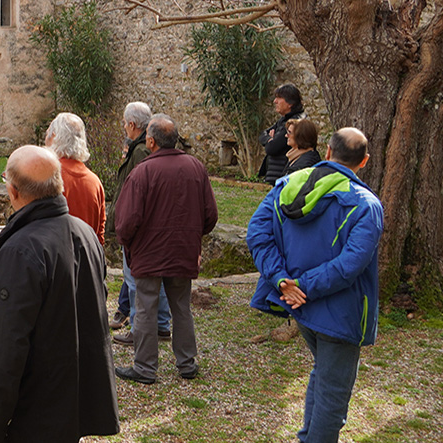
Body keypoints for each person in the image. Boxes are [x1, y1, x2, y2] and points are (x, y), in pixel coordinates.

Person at [0, 145, 118, 442]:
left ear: (13, 191)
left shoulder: (21, 251)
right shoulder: (85, 235)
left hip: (33, 414)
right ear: (57, 184)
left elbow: (4, 354)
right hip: (68, 404)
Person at [247, 127, 383, 443]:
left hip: (302, 309)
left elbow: (257, 235)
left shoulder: (284, 186)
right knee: (333, 396)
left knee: (323, 375)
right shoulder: (366, 205)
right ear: (364, 161)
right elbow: (349, 266)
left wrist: (283, 281)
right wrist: (295, 285)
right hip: (340, 314)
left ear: (328, 152)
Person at [113, 114, 217, 384]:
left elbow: (126, 221)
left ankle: (145, 368)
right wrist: (193, 236)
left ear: (150, 141)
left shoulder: (143, 172)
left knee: (146, 306)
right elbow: (210, 215)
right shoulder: (196, 167)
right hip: (182, 249)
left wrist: (127, 243)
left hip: (149, 252)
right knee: (181, 306)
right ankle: (186, 363)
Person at [110, 101, 155, 330]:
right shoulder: (137, 148)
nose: (123, 128)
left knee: (133, 276)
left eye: (125, 124)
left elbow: (140, 190)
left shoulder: (141, 151)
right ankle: (126, 310)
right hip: (134, 221)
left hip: (136, 224)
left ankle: (138, 326)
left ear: (132, 124)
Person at [45, 112, 106, 243]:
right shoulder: (95, 181)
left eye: (47, 134)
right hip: (88, 258)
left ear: (54, 137)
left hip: (56, 258)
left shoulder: (48, 175)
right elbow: (99, 237)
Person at [260, 84, 306, 184]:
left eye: (279, 98)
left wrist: (272, 141)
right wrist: (270, 139)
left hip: (283, 176)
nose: (275, 101)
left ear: (290, 103)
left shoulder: (295, 123)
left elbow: (272, 148)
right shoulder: (283, 121)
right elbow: (262, 134)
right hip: (276, 175)